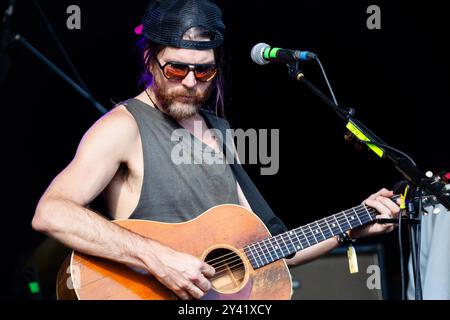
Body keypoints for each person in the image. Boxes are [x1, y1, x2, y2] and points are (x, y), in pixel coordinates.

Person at [31, 0, 400, 300]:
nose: (190, 82)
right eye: (176, 69)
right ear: (150, 60)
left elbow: (268, 250)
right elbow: (51, 212)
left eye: (203, 72)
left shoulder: (218, 131)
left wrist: (351, 227)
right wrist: (158, 258)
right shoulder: (123, 126)